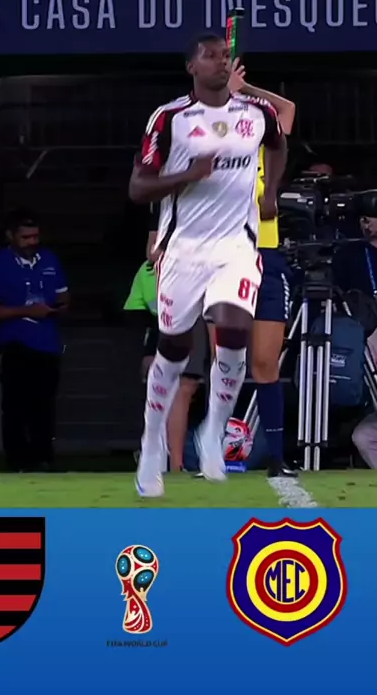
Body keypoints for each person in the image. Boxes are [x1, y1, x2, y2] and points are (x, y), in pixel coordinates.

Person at [129, 33, 287, 496]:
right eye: (210, 56)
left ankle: (213, 433)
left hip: (236, 246)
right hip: (183, 250)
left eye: (225, 55)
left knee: (234, 333)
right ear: (191, 67)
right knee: (174, 349)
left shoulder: (257, 114)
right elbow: (138, 187)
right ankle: (152, 441)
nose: (221, 61)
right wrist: (189, 174)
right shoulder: (170, 119)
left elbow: (277, 144)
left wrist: (271, 194)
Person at [228, 60, 297, 478]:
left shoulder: (267, 146)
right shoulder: (214, 145)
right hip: (225, 258)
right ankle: (216, 449)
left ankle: (275, 457)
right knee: (225, 363)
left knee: (265, 363)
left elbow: (287, 110)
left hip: (267, 258)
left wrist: (246, 89)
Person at [0, 209, 69, 472]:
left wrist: (56, 309)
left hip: (48, 343)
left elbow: (65, 298)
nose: (32, 242)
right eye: (25, 237)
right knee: (16, 406)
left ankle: (44, 459)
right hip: (14, 343)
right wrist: (27, 311)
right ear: (11, 236)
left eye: (35, 236)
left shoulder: (50, 259)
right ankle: (17, 462)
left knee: (45, 405)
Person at [124, 244, 211, 472]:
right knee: (183, 386)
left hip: (204, 301)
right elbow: (153, 254)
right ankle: (173, 463)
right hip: (186, 302)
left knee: (188, 385)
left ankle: (169, 458)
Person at [333, 214, 377, 468]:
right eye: (362, 219)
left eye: (371, 218)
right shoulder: (350, 254)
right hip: (362, 332)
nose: (365, 224)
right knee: (363, 436)